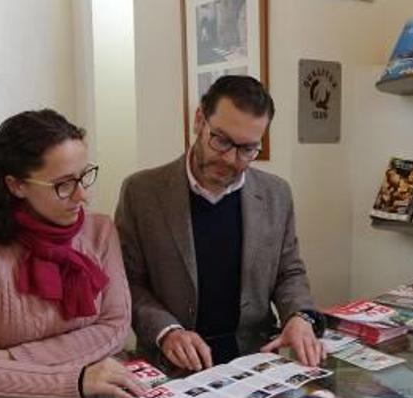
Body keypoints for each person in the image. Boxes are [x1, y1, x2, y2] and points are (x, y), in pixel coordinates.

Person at [115, 75, 326, 372]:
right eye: (221, 140)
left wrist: (300, 317)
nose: (230, 158)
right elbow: (129, 282)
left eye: (247, 149)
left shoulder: (276, 193)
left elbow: (288, 270)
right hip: (172, 362)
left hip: (254, 356)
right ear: (199, 120)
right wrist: (167, 331)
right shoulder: (142, 192)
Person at [0, 109, 144, 398]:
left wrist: (8, 360)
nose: (81, 196)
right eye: (64, 184)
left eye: (84, 176)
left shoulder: (100, 231)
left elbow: (115, 328)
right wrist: (76, 378)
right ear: (16, 185)